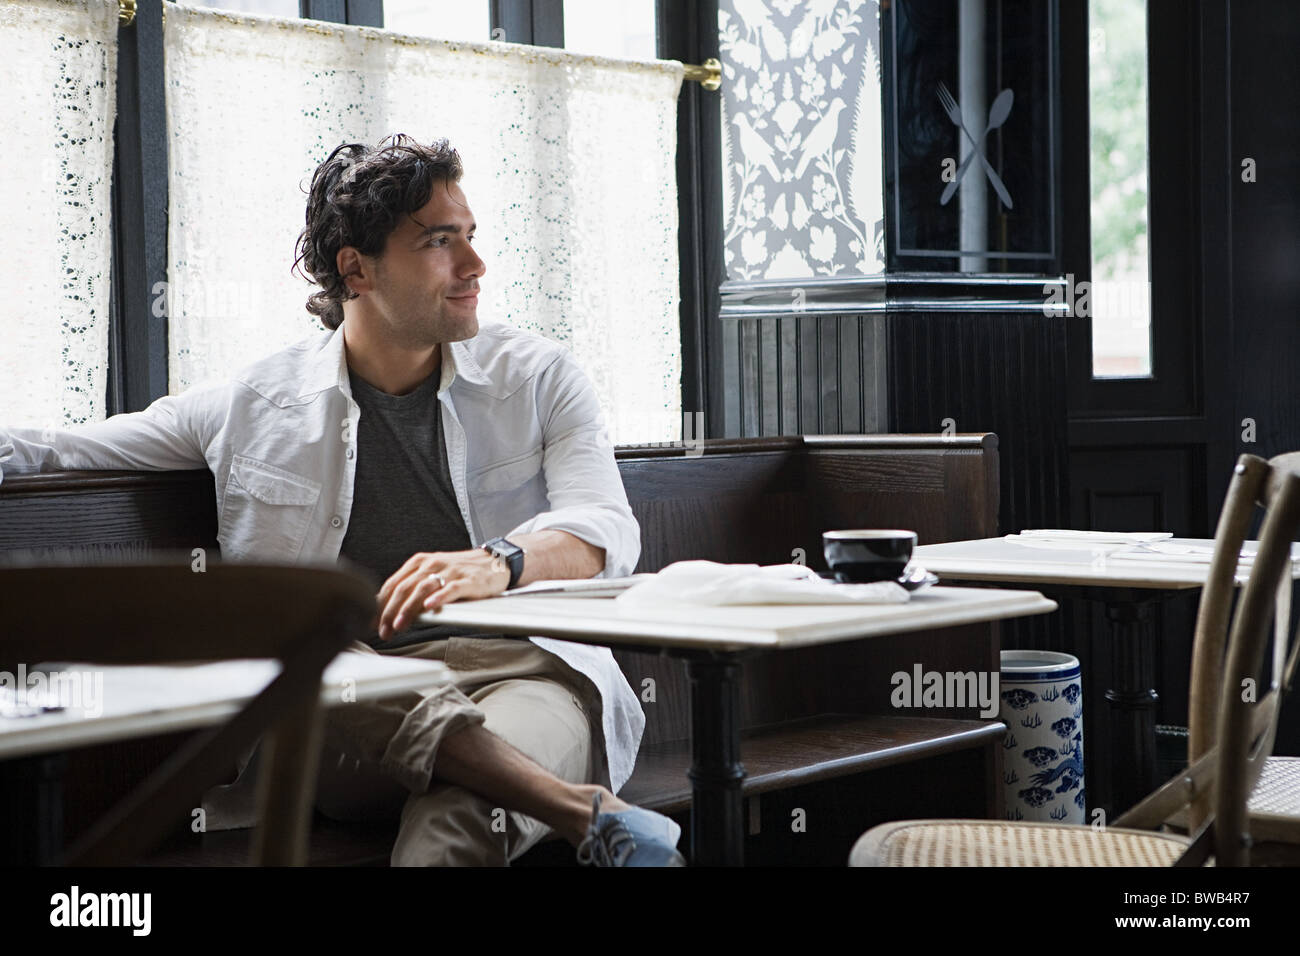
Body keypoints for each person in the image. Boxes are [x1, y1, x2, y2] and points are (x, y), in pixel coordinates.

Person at [0, 133, 684, 867]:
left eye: (472, 237)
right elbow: (56, 451)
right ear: (357, 268)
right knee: (326, 657)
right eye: (440, 242)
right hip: (350, 710)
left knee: (461, 820)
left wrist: (500, 563)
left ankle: (562, 804)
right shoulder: (254, 404)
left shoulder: (541, 377)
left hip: (524, 675)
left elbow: (604, 528)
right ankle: (583, 811)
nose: (474, 266)